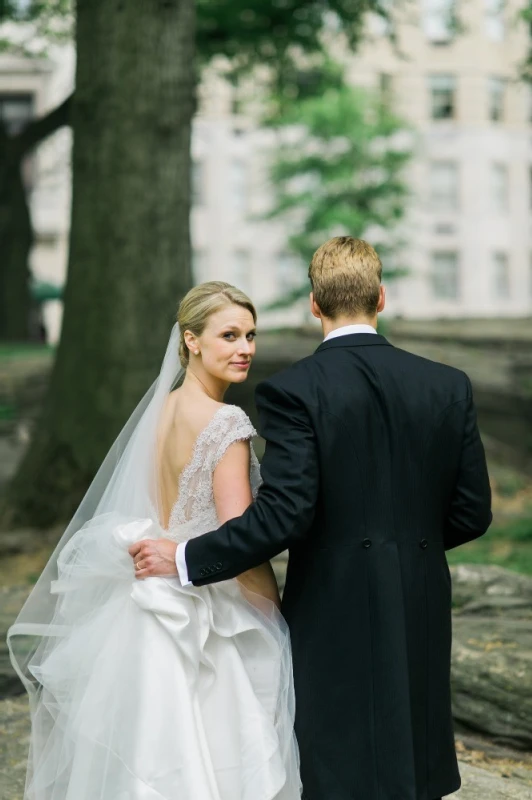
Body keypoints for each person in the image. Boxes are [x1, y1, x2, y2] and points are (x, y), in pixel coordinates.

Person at [135, 237, 493, 800]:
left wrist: (185, 556)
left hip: (332, 595)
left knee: (334, 757)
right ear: (381, 296)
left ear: (313, 304)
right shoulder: (448, 385)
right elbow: (473, 511)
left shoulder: (294, 390)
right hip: (420, 590)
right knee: (412, 742)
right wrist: (407, 542)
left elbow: (285, 515)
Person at [8, 282, 301, 800]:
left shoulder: (162, 409)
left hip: (151, 601)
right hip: (208, 606)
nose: (245, 349)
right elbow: (240, 540)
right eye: (229, 335)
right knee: (217, 754)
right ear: (191, 340)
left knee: (148, 751)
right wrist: (273, 614)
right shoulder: (226, 423)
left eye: (251, 335)